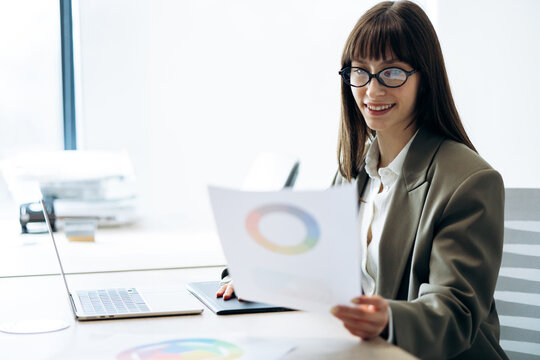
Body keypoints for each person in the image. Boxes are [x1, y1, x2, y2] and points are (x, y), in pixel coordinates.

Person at [218, 1, 507, 359]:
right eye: (361, 72)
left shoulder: (468, 181)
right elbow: (320, 263)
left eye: (392, 73)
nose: (372, 91)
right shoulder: (354, 167)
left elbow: (455, 313)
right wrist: (258, 276)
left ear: (425, 78)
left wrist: (388, 319)